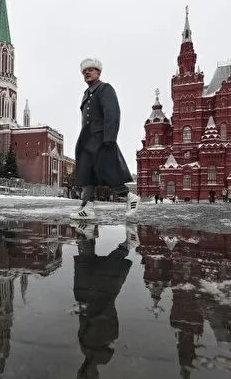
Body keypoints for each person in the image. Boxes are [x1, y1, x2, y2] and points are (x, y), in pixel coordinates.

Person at [70, 58, 138, 220]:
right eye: (84, 71)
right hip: (87, 138)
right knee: (86, 171)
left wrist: (110, 138)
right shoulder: (87, 93)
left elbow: (112, 112)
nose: (87, 72)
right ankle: (87, 206)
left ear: (98, 72)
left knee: (106, 170)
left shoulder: (104, 88)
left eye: (91, 70)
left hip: (100, 136)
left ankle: (130, 197)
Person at [72, 224, 132, 379]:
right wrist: (105, 313)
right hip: (102, 305)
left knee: (86, 260)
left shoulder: (84, 350)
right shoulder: (104, 357)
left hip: (85, 300)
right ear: (95, 375)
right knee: (109, 270)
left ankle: (86, 230)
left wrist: (83, 308)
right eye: (88, 377)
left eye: (81, 375)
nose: (84, 372)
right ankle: (127, 245)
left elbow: (82, 324)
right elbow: (113, 330)